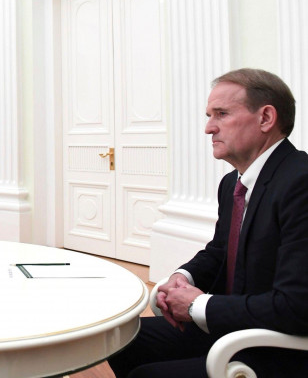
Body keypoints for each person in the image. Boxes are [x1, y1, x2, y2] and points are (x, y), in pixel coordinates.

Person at [108, 68, 308, 377]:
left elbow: (296, 307)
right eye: (208, 115)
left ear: (266, 118)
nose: (208, 128)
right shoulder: (232, 184)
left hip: (278, 346)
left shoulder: (301, 182)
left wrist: (197, 306)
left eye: (221, 114)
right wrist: (181, 278)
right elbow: (218, 252)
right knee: (122, 340)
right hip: (232, 325)